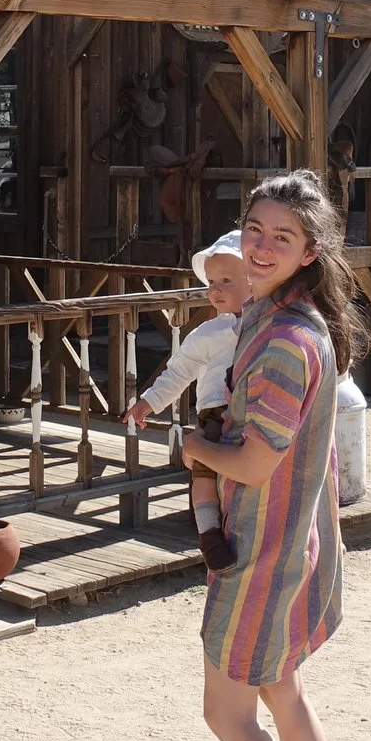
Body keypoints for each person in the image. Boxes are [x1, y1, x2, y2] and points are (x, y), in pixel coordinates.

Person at [180, 171, 360, 741]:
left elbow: (254, 464)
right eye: (254, 229)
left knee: (230, 718)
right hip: (295, 545)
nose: (259, 246)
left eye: (280, 237)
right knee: (284, 696)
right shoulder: (284, 314)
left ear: (309, 252)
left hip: (262, 553)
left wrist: (195, 446)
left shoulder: (285, 339)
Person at [124, 231, 247, 570]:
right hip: (215, 415)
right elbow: (178, 373)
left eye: (226, 281)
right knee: (203, 473)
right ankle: (209, 535)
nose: (215, 289)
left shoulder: (269, 325)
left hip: (255, 412)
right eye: (212, 282)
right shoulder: (206, 334)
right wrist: (148, 402)